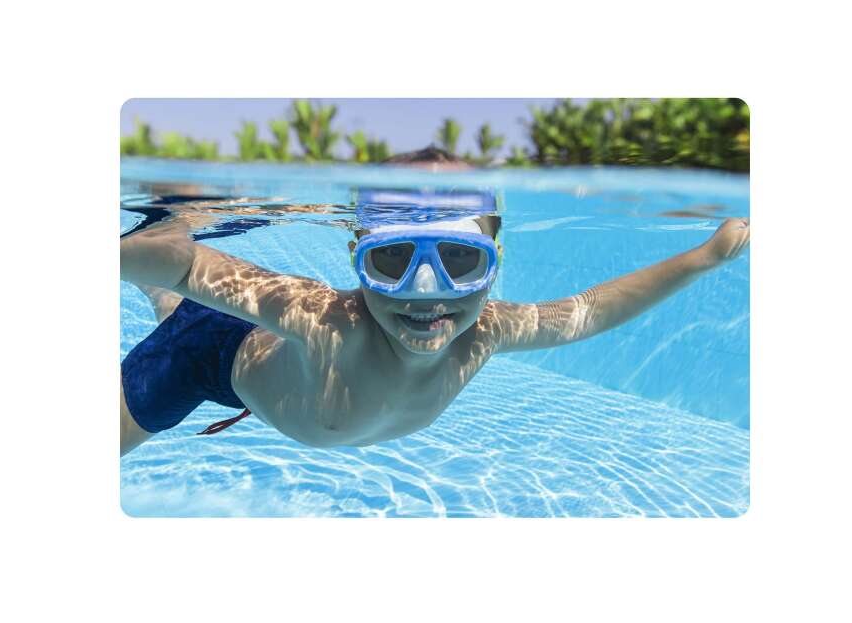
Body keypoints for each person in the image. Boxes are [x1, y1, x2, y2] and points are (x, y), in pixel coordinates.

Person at [119, 152, 749, 456]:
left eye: (461, 261)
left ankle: (163, 295)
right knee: (180, 312)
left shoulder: (487, 331)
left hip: (263, 362)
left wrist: (702, 259)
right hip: (204, 358)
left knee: (174, 301)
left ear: (495, 261)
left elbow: (587, 310)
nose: (427, 292)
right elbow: (191, 265)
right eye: (393, 260)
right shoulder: (327, 320)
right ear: (358, 258)